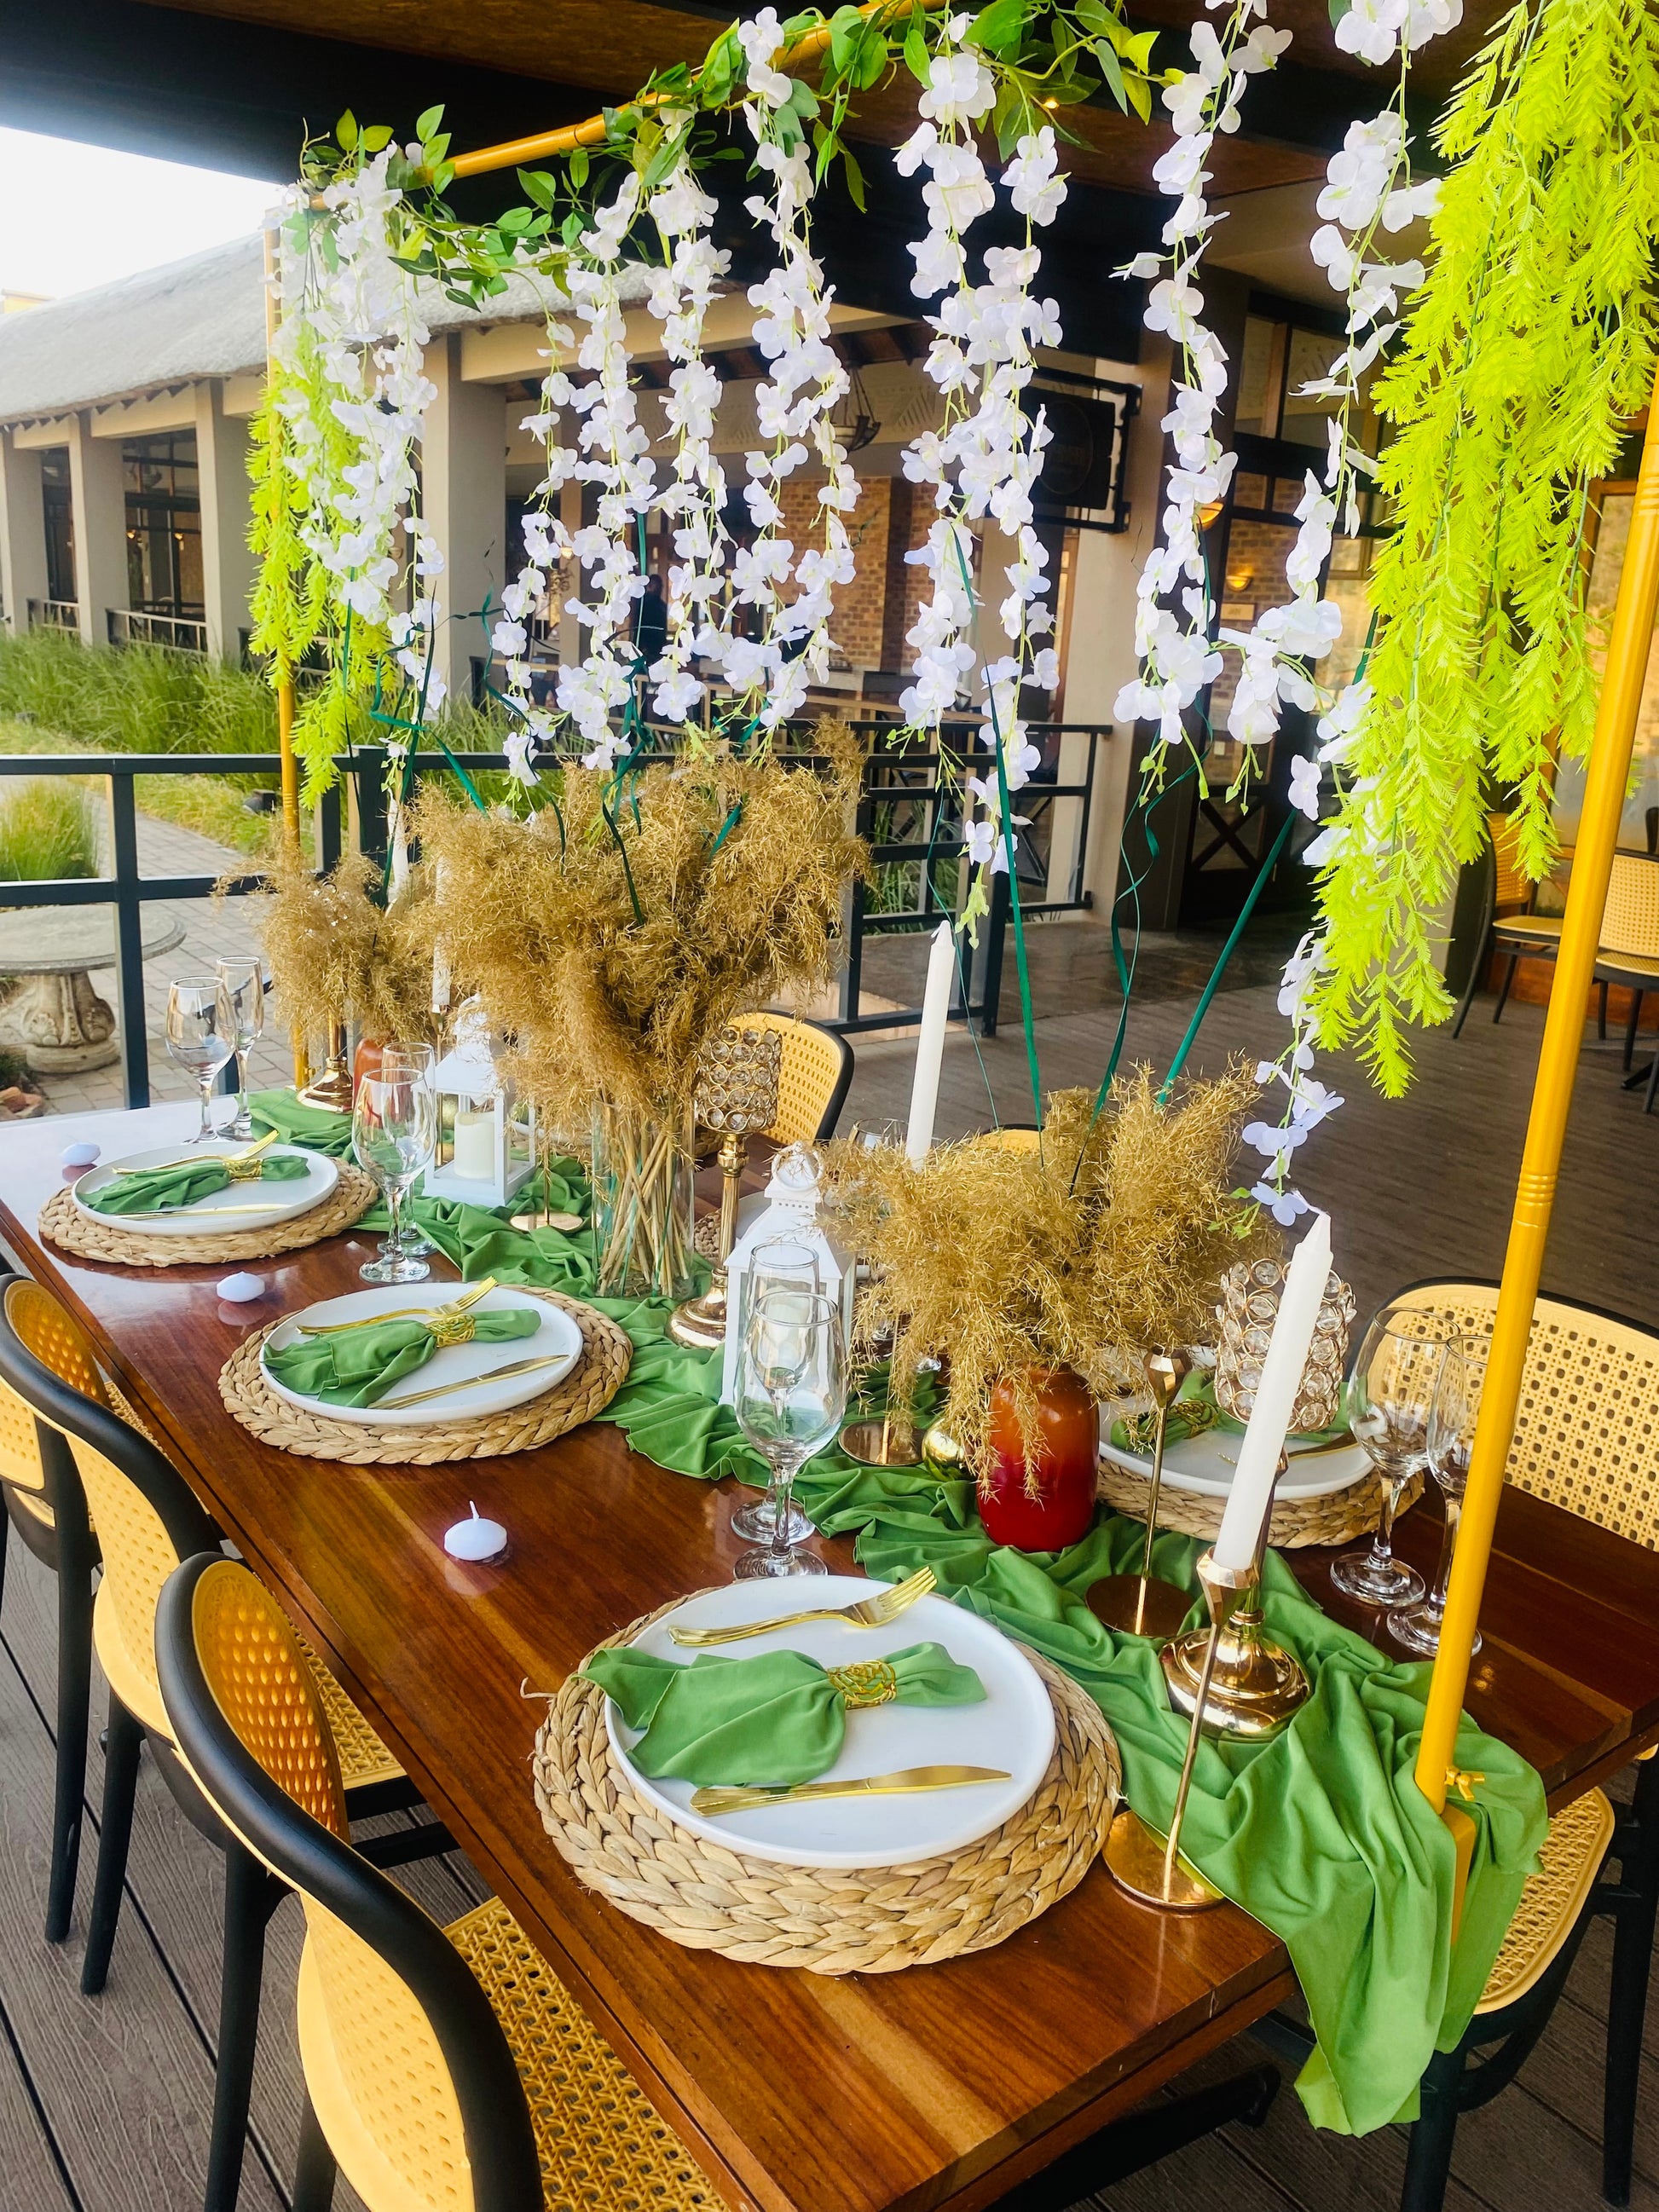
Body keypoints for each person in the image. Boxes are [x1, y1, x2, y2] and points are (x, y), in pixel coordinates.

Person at [633, 573, 668, 663]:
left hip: (658, 644)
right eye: (657, 585)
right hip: (646, 643)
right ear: (650, 586)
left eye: (661, 586)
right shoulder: (643, 602)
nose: (660, 588)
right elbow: (638, 624)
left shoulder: (662, 605)